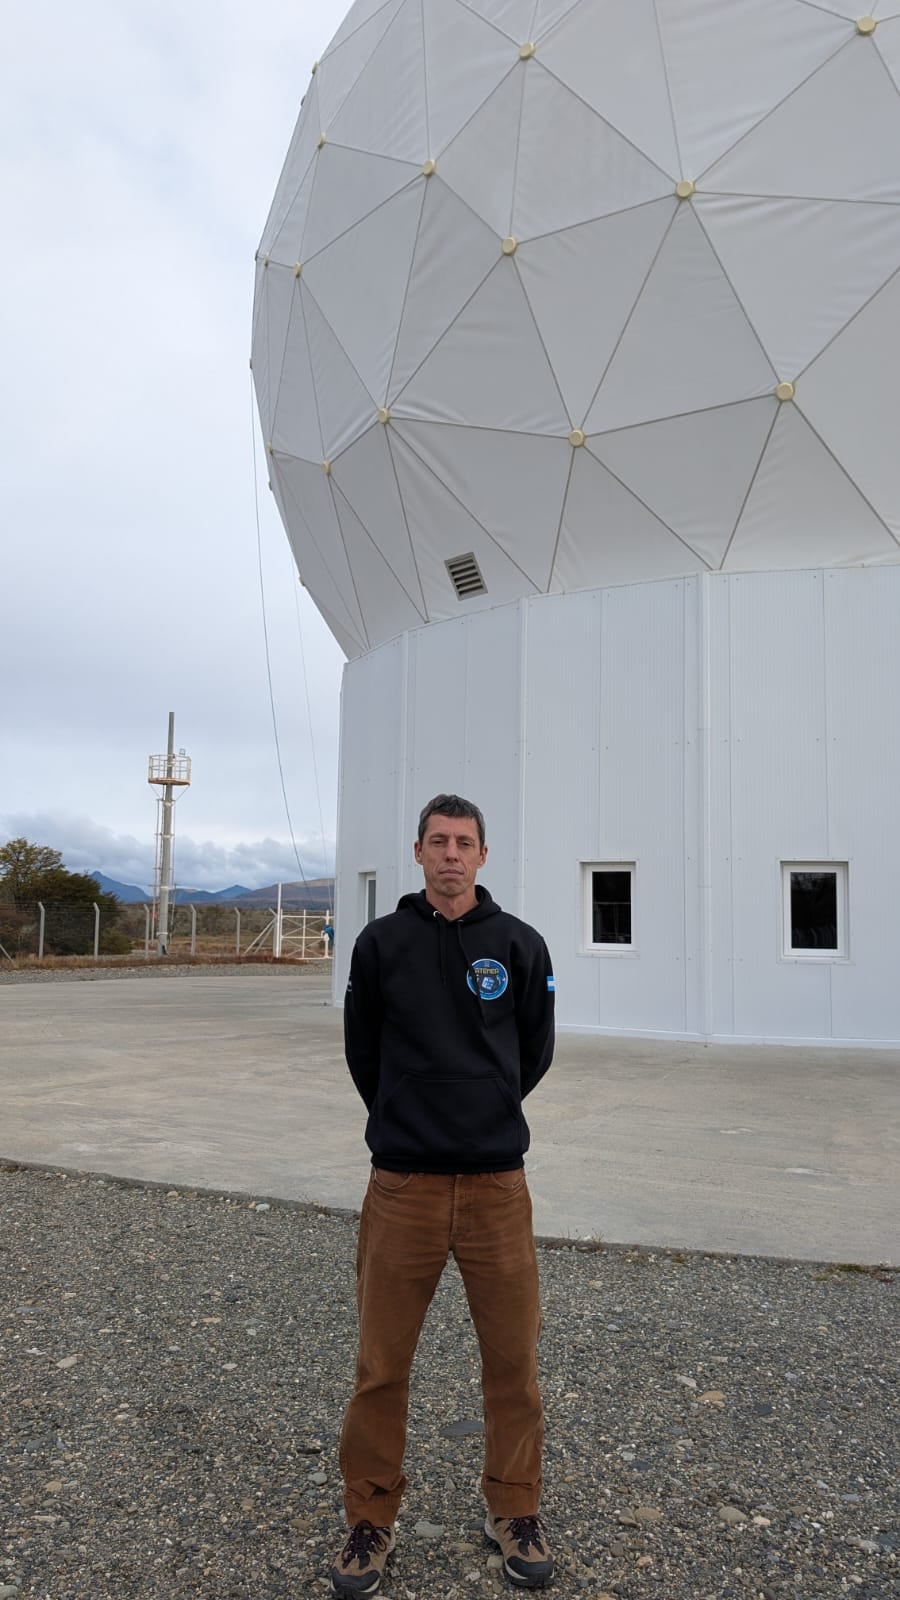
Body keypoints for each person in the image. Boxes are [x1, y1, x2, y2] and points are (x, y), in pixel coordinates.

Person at [331, 795, 556, 1596]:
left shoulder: (519, 944)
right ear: (418, 852)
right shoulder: (380, 944)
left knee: (513, 1364)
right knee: (382, 1366)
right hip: (403, 1187)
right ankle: (369, 1518)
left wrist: (485, 1110)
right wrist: (405, 1117)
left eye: (465, 843)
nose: (451, 855)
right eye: (438, 842)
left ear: (483, 856)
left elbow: (533, 1051)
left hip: (498, 1186)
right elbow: (365, 1053)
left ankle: (515, 1509)